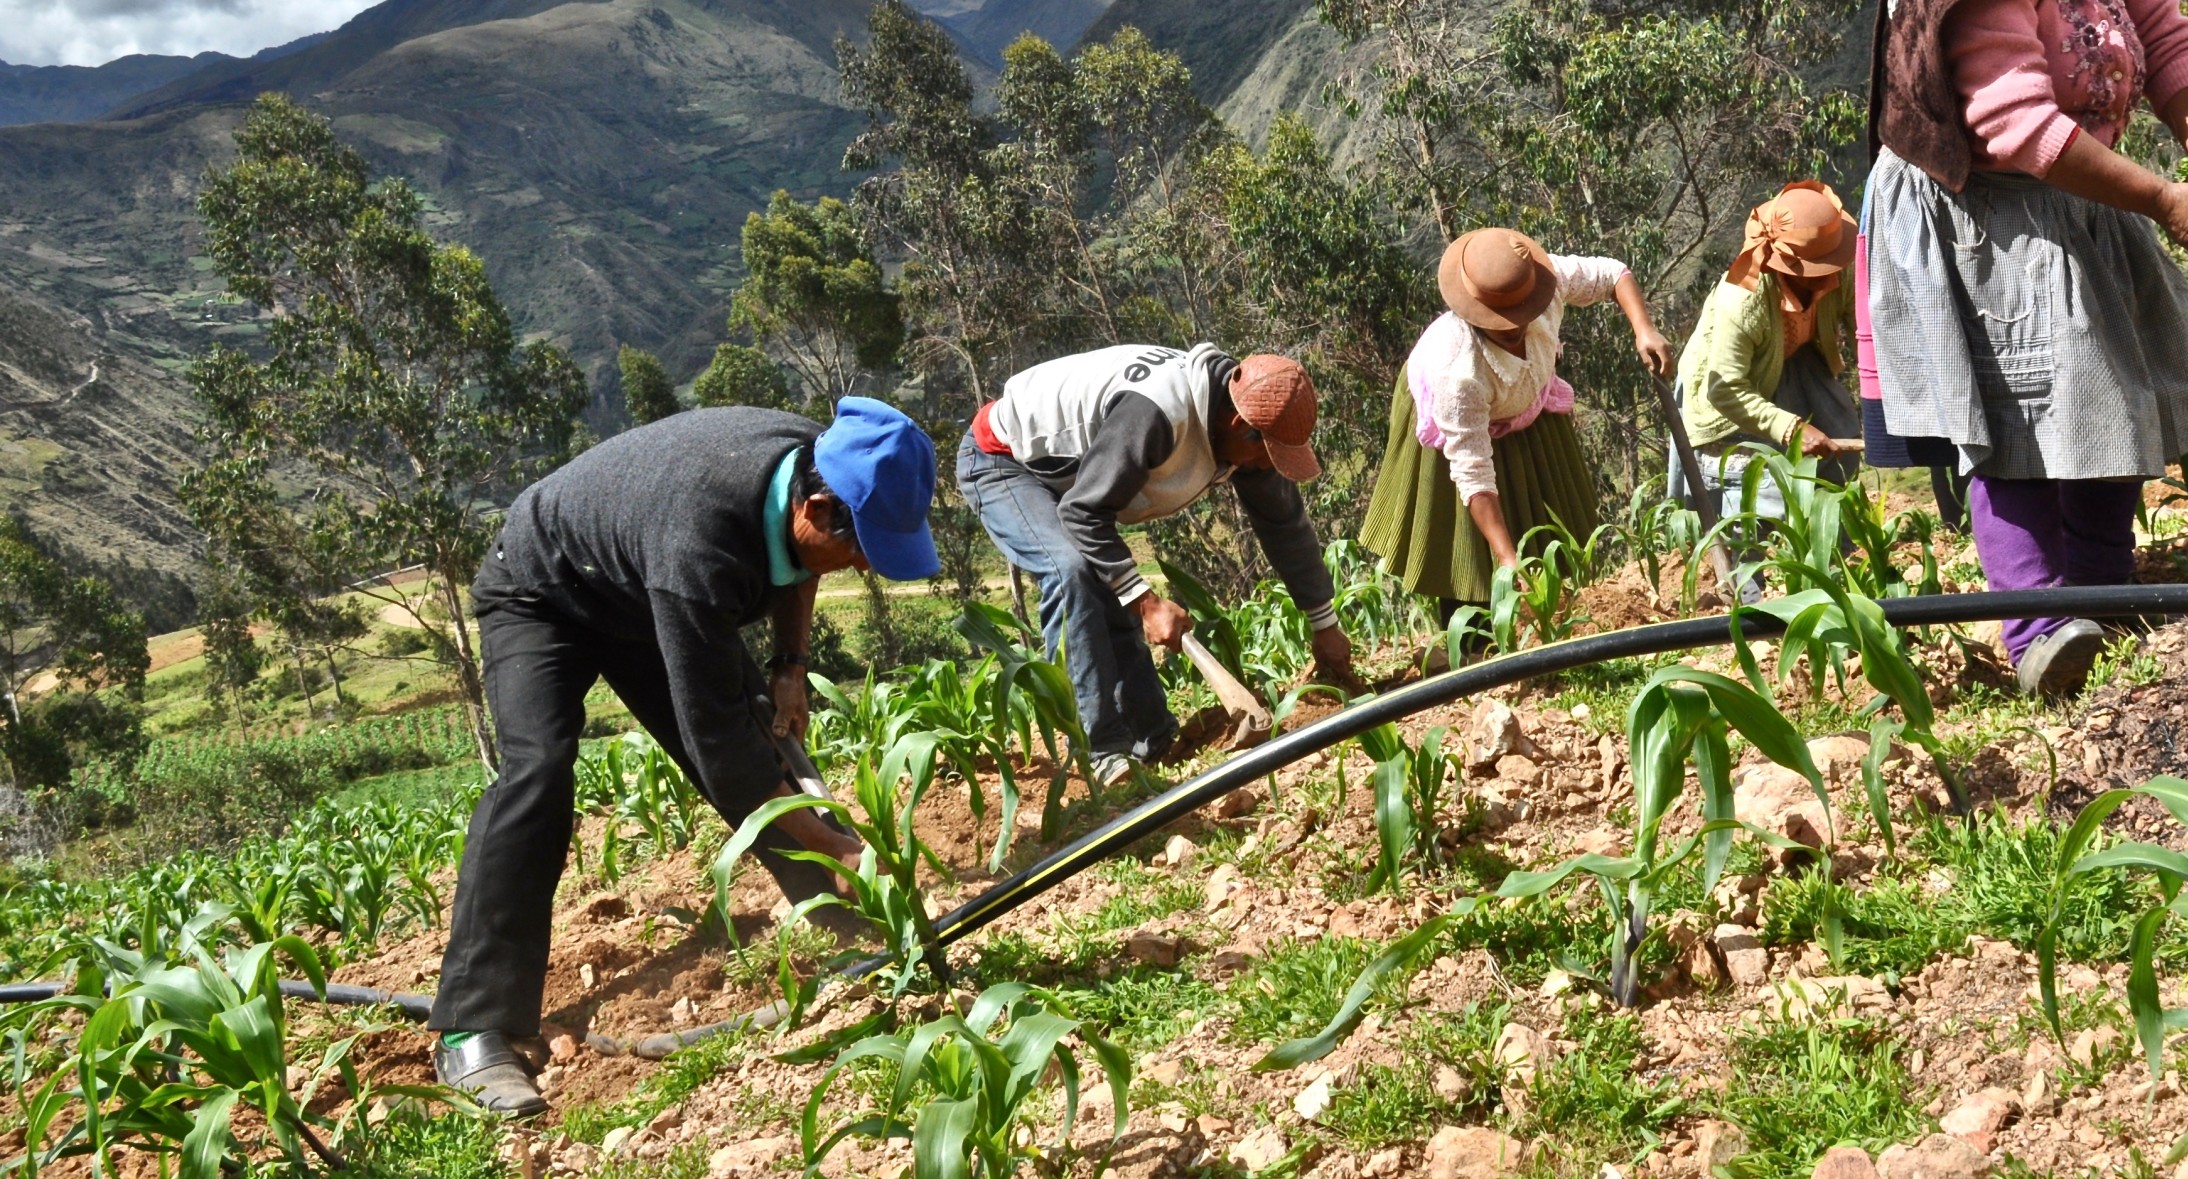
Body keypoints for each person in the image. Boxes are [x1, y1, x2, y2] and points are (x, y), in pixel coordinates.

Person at [431, 398, 943, 1115]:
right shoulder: (700, 542)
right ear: (819, 508)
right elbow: (725, 755)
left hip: (640, 581)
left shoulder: (817, 456)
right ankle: (471, 1027)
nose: (862, 565)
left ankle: (843, 923)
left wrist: (790, 662)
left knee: (764, 728)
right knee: (538, 769)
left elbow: (800, 564)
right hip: (544, 588)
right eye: (861, 548)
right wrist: (836, 841)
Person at [1864, 0, 2188, 697]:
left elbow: (2158, 21)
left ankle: (2103, 599)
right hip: (1981, 208)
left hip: (2081, 191)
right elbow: (2015, 126)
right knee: (2022, 415)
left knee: (2108, 393)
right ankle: (2035, 627)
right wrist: (2164, 199)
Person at [956, 345, 1353, 783]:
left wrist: (1324, 624)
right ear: (1239, 424)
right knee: (1071, 571)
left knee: (1108, 579)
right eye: (1266, 454)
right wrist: (1147, 603)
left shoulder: (1245, 430)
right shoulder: (1158, 413)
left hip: (1076, 483)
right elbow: (1083, 513)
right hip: (1003, 459)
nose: (1265, 466)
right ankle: (1097, 751)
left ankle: (1154, 739)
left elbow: (1285, 526)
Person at [1362, 227, 1675, 631]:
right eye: (1502, 325)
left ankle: (1557, 613)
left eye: (1523, 317)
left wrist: (1643, 328)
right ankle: (1476, 642)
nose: (1517, 329)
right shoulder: (1458, 371)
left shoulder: (1545, 283)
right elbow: (1473, 475)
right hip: (1454, 426)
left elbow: (1614, 274)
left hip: (1525, 403)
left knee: (1544, 507)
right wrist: (1508, 561)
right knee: (1465, 542)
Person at [1676, 181, 1860, 569]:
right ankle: (1756, 579)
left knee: (1835, 456)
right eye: (1820, 267)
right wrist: (1791, 428)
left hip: (1793, 363)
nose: (1832, 274)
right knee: (1761, 491)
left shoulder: (1838, 273)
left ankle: (1833, 550)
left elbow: (1865, 329)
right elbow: (1724, 388)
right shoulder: (1743, 299)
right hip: (1727, 392)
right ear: (1790, 267)